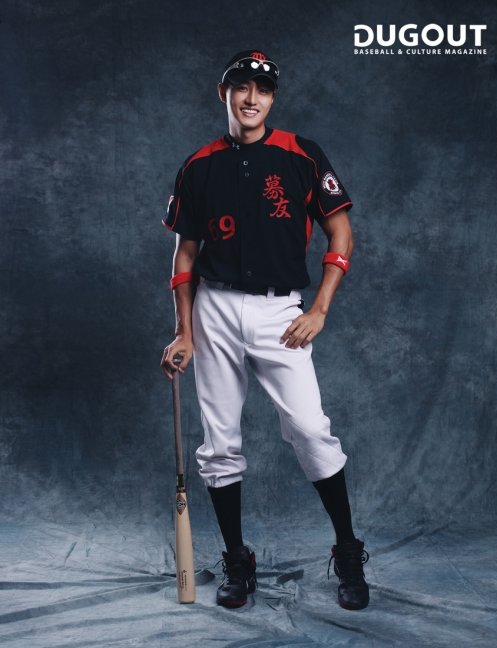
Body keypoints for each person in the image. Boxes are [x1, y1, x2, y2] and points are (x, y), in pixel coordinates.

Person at [161, 50, 369, 611]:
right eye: (241, 86)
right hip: (214, 309)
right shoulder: (198, 165)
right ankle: (238, 560)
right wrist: (183, 331)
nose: (251, 97)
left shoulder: (301, 154)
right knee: (219, 443)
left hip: (281, 313)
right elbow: (185, 253)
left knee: (311, 431)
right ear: (224, 93)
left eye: (263, 89)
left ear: (272, 98)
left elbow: (341, 233)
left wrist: (319, 309)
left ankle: (348, 551)